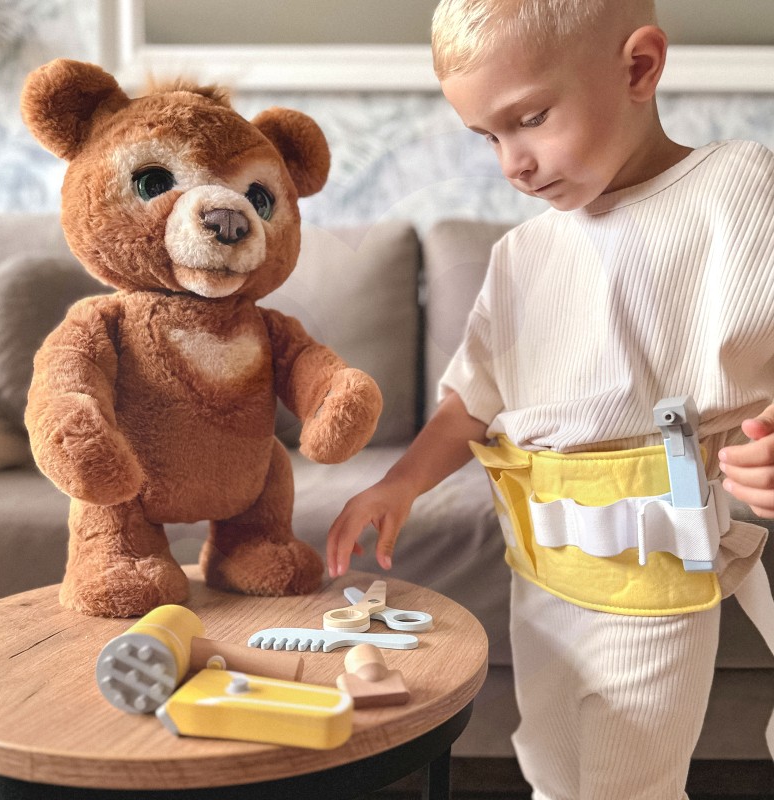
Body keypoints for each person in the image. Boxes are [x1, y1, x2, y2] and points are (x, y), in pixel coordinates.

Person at [326, 1, 774, 798]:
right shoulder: (521, 254)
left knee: (625, 784)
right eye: (488, 137)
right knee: (552, 771)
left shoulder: (738, 191)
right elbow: (472, 401)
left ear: (639, 68)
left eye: (530, 118)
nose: (514, 163)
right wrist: (399, 483)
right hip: (541, 578)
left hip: (655, 577)